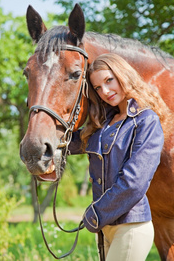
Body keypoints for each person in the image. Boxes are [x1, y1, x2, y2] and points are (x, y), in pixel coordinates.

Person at [68, 53, 169, 261]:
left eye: (108, 81)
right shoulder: (104, 124)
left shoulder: (146, 121)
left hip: (131, 226)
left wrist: (95, 213)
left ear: (122, 75)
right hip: (107, 228)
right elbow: (69, 143)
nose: (104, 91)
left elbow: (134, 182)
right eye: (97, 87)